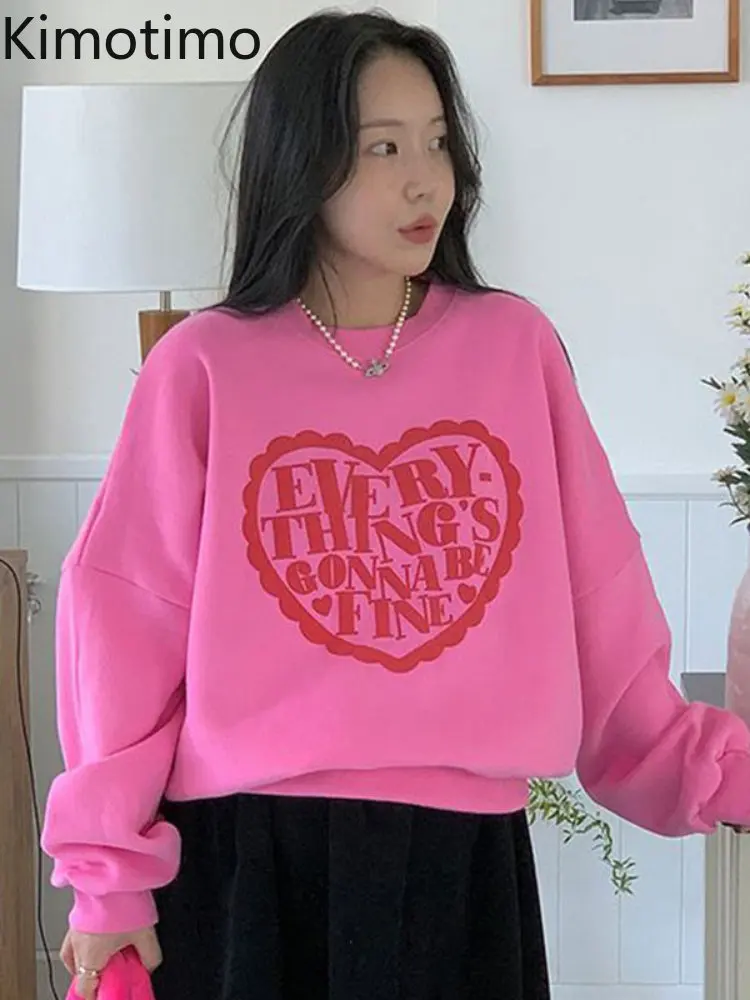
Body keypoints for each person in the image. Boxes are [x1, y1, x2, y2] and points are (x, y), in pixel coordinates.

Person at [41, 8, 750, 1000]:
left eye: (438, 142)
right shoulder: (202, 366)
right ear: (304, 161)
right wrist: (107, 881)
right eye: (383, 148)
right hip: (247, 865)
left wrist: (713, 769)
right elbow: (126, 630)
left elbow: (600, 602)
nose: (426, 180)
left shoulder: (513, 348)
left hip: (462, 867)